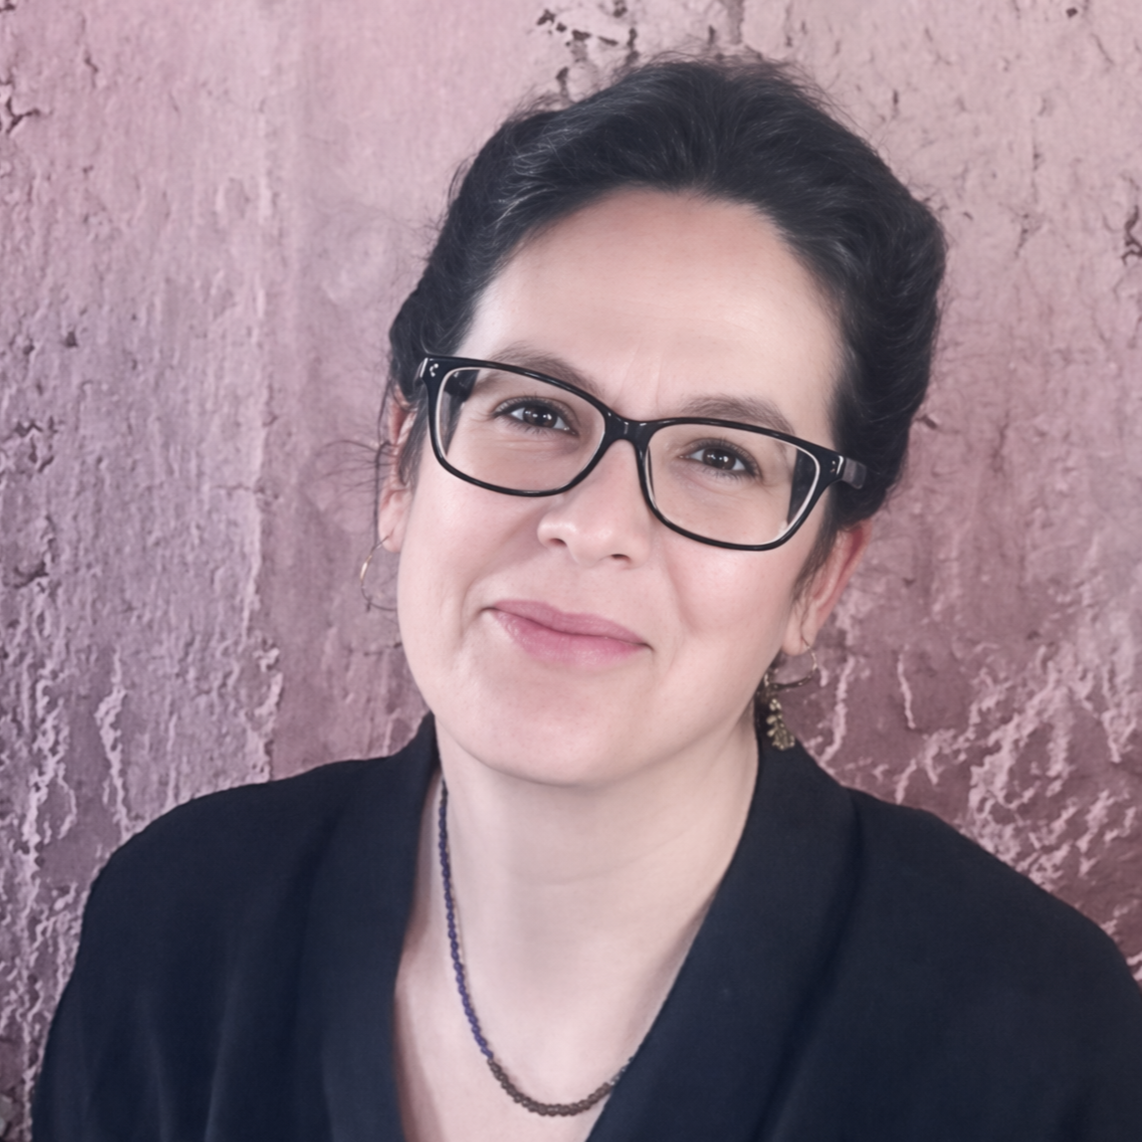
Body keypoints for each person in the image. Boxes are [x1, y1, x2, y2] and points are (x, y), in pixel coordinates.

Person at [33, 56, 1142, 1142]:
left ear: (820, 576)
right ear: (401, 467)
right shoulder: (181, 934)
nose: (596, 522)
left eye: (721, 455)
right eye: (533, 411)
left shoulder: (1032, 1046)